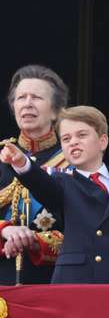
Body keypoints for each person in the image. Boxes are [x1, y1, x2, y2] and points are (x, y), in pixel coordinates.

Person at [0, 105, 109, 284]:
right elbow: (40, 183)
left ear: (103, 141)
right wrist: (22, 162)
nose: (73, 142)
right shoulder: (61, 183)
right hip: (75, 284)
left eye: (82, 135)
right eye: (66, 138)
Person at [0, 65, 69, 285]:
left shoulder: (73, 162)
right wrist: (5, 230)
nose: (27, 103)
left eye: (37, 97)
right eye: (21, 97)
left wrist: (36, 241)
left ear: (56, 111)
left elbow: (87, 230)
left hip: (51, 283)